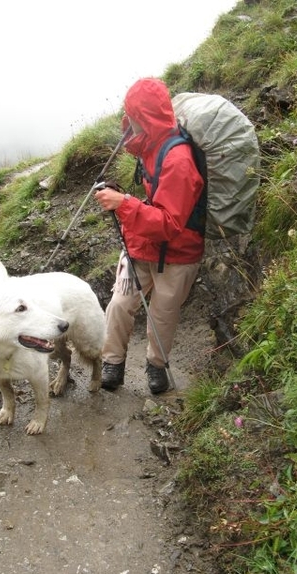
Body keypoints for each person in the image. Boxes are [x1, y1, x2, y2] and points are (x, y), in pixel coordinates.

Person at [94, 77, 205, 394]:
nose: (127, 124)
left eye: (133, 116)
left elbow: (170, 223)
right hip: (143, 246)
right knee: (119, 305)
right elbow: (157, 203)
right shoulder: (151, 147)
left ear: (146, 117)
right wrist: (124, 199)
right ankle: (112, 362)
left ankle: (156, 366)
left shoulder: (179, 160)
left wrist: (123, 204)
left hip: (179, 254)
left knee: (163, 315)